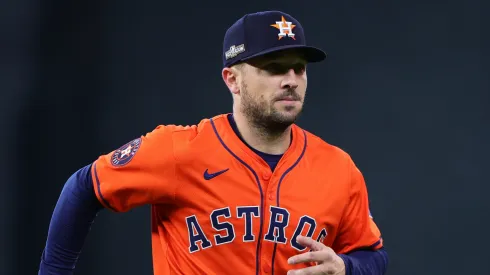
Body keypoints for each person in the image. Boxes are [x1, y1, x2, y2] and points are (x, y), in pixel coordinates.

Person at [39, 10, 388, 275]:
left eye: (299, 68)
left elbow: (373, 255)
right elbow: (84, 187)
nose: (291, 81)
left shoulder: (337, 168)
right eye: (274, 68)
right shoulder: (178, 152)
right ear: (232, 80)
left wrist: (345, 268)